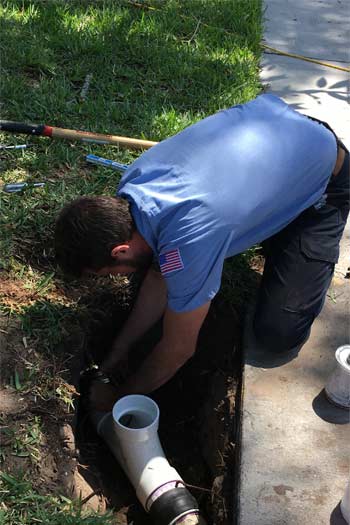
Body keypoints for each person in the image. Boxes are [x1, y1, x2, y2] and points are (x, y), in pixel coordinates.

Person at [54, 94, 349, 411]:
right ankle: (274, 213)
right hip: (284, 139)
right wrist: (112, 360)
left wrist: (120, 400)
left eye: (111, 272)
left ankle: (287, 228)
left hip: (325, 181)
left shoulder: (190, 237)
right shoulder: (136, 184)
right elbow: (159, 275)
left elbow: (178, 349)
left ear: (121, 250)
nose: (119, 276)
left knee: (277, 334)